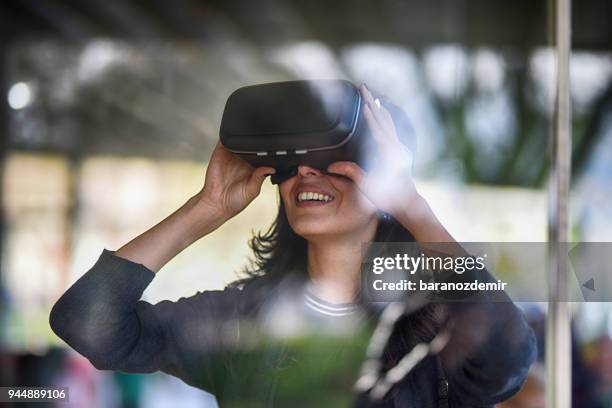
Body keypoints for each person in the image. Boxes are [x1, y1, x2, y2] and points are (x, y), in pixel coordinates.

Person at [50, 84, 536, 407]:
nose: (307, 171)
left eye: (335, 158)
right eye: (294, 159)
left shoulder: (436, 334)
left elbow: (509, 356)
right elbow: (90, 325)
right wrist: (208, 206)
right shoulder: (239, 322)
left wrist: (412, 205)